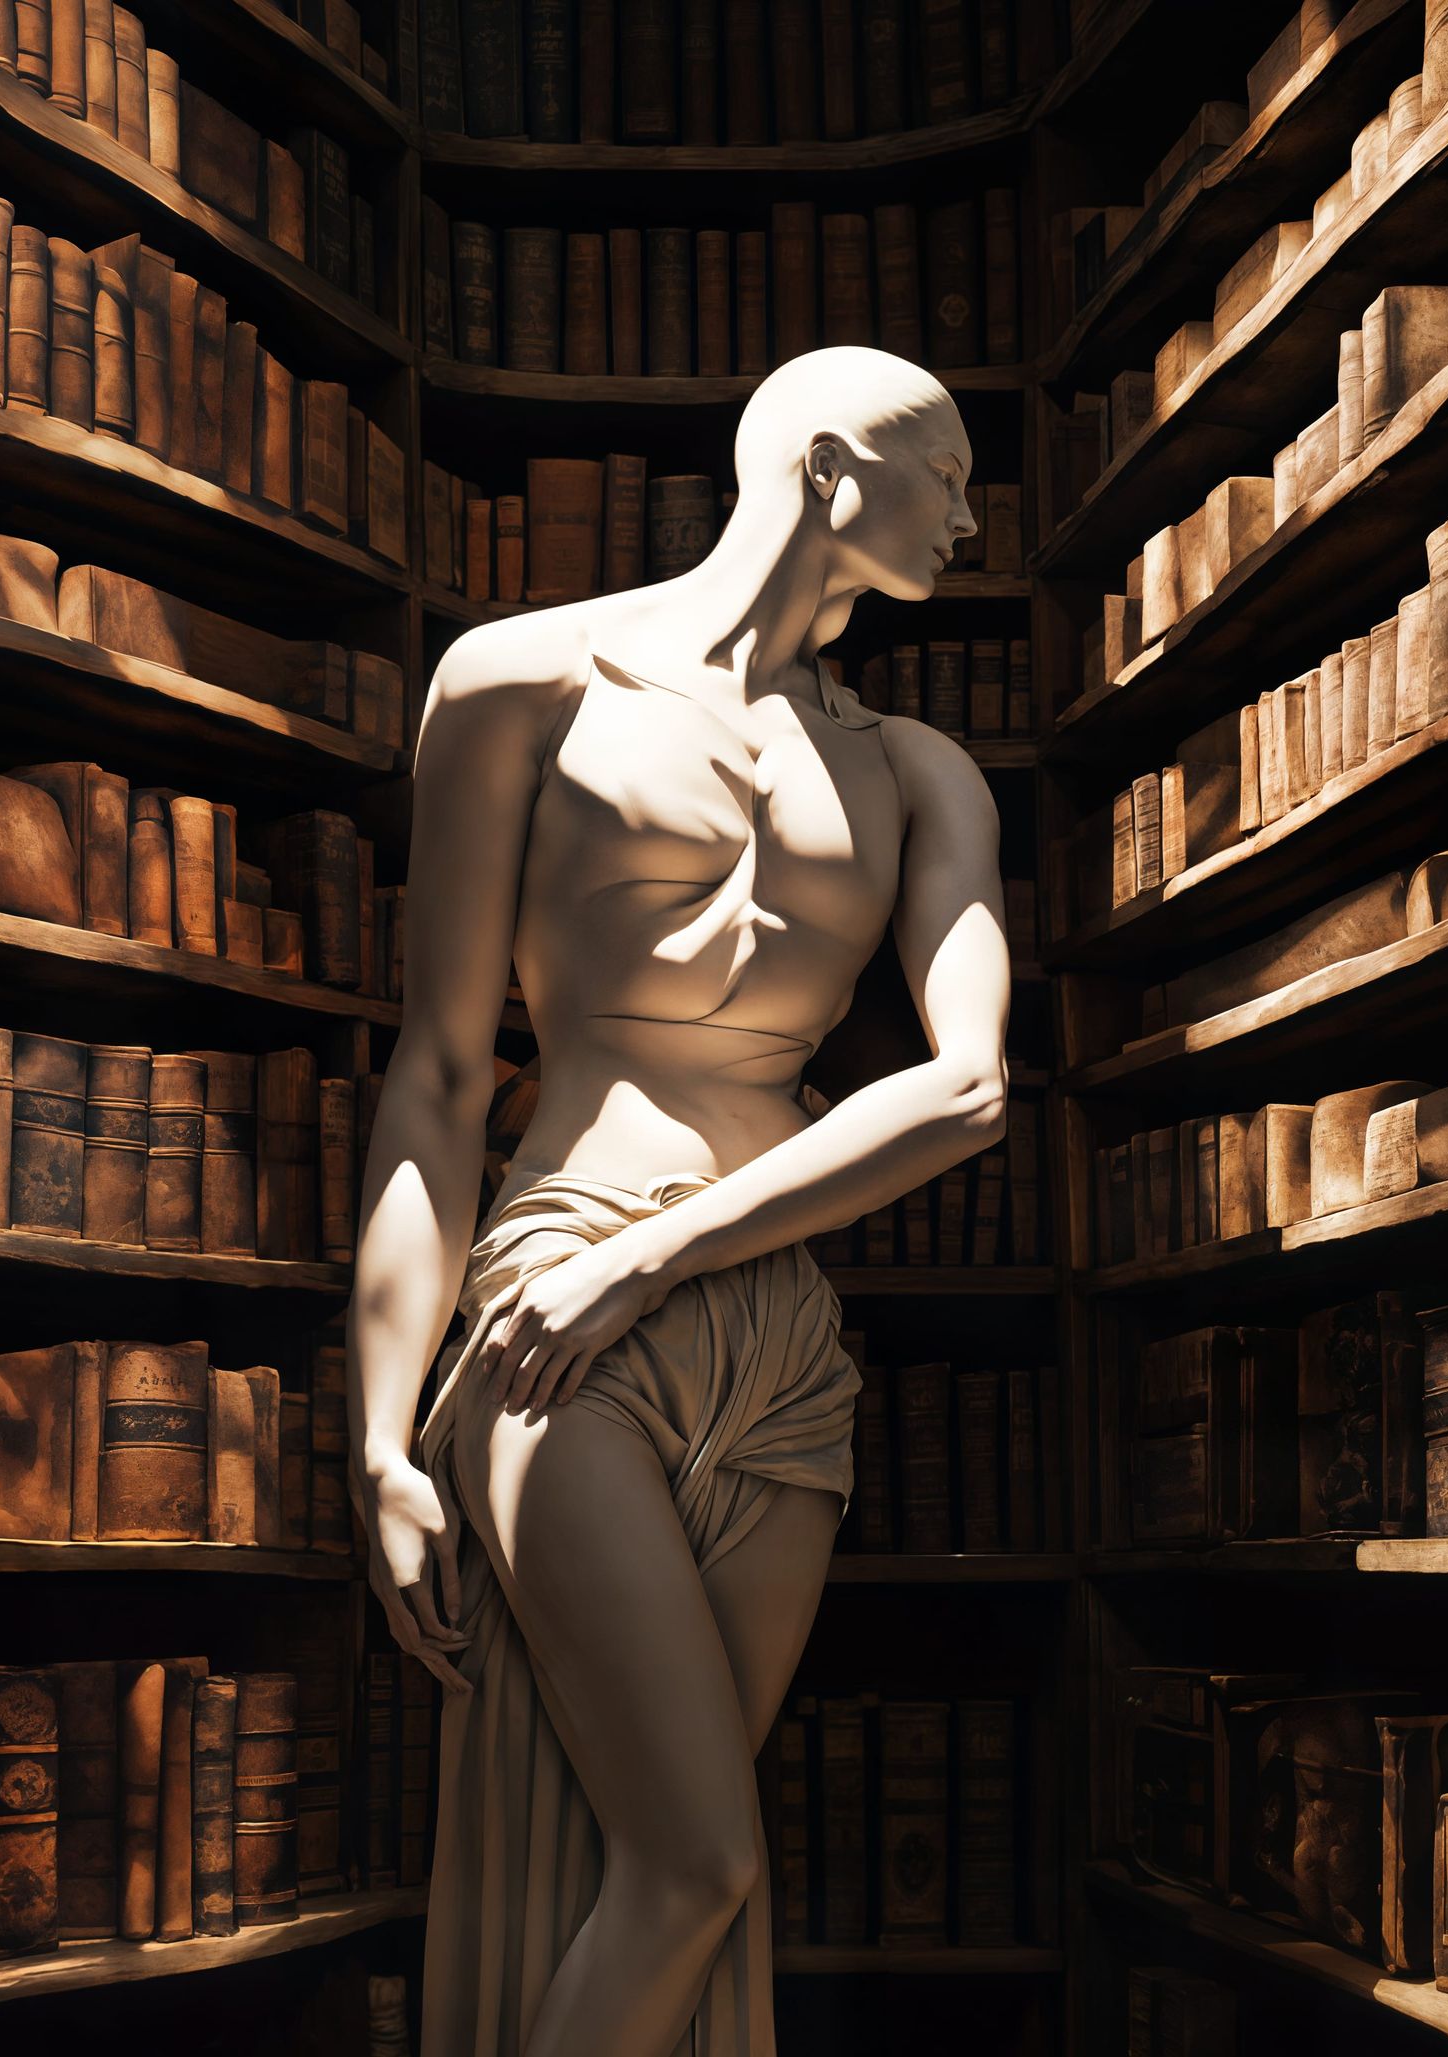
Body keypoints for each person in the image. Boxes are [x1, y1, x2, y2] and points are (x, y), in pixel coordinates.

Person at [345, 344, 1011, 2057]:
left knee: (659, 1868)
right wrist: (378, 1436)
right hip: (555, 1308)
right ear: (832, 467)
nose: (971, 514)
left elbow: (969, 1085)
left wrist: (667, 1253)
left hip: (769, 1343)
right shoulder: (522, 682)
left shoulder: (923, 773)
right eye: (947, 473)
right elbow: (430, 1077)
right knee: (688, 1857)